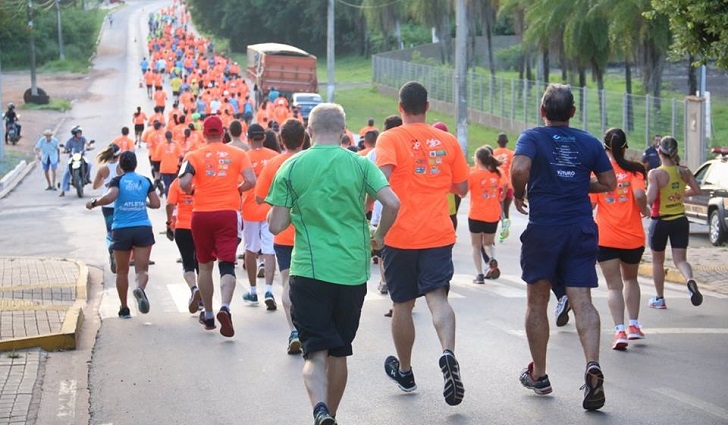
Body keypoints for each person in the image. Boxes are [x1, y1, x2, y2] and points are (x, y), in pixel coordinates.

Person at [266, 103, 400, 425]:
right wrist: (379, 237)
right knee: (339, 351)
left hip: (309, 271)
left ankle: (319, 409)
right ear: (343, 131)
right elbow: (392, 203)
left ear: (309, 131)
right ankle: (333, 415)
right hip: (351, 272)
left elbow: (275, 225)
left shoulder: (292, 166)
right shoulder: (359, 164)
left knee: (315, 353)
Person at [511, 83, 616, 411]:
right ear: (572, 112)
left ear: (543, 111)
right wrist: (578, 182)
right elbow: (610, 183)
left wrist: (519, 192)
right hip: (580, 229)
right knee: (582, 300)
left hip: (545, 230)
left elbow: (518, 169)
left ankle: (540, 375)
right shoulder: (588, 141)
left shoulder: (532, 137)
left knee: (537, 301)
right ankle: (592, 364)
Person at [375, 81, 469, 406]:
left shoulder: (389, 138)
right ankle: (447, 353)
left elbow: (379, 178)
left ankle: (405, 370)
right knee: (438, 298)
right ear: (428, 106)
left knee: (402, 304)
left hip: (399, 236)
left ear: (400, 107)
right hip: (438, 233)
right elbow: (461, 188)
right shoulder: (448, 140)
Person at [178, 115, 256, 337]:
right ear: (223, 133)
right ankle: (226, 307)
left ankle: (209, 314)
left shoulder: (193, 156)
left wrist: (194, 191)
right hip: (227, 213)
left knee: (204, 266)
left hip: (201, 214)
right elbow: (251, 181)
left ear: (204, 134)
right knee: (227, 264)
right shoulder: (239, 154)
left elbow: (183, 183)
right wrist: (237, 189)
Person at [590, 128, 650, 350]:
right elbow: (640, 195)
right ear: (625, 147)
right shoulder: (636, 171)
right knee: (631, 280)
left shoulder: (597, 175)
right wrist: (644, 210)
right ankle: (634, 325)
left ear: (605, 148)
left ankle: (620, 331)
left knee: (613, 286)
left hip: (606, 237)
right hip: (632, 237)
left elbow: (591, 205)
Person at [85, 151, 161, 318]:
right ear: (135, 165)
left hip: (121, 229)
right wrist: (143, 202)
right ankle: (140, 288)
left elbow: (110, 196)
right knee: (142, 270)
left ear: (120, 166)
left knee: (122, 271)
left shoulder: (118, 180)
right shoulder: (145, 180)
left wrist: (94, 203)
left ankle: (124, 308)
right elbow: (156, 203)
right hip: (142, 228)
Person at [254, 118, 306, 354]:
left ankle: (294, 330)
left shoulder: (274, 164)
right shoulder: (310, 160)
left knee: (287, 283)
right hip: (310, 232)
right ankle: (311, 329)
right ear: (304, 139)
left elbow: (258, 197)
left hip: (283, 233)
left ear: (282, 140)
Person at [646, 136, 702, 309]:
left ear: (659, 151)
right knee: (680, 260)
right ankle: (690, 281)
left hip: (660, 221)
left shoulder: (655, 174)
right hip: (680, 220)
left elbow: (650, 198)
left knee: (657, 261)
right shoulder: (684, 171)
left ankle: (659, 299)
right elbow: (697, 190)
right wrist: (679, 194)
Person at [240, 124, 280, 310]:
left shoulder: (244, 157)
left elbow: (241, 183)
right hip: (270, 208)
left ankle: (253, 290)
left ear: (248, 138)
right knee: (269, 249)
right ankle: (269, 290)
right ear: (264, 138)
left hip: (249, 208)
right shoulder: (274, 157)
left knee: (250, 248)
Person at [468, 146, 506, 284]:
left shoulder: (473, 174)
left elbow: (462, 192)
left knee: (475, 246)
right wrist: (500, 196)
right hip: (492, 214)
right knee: (488, 244)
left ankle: (479, 275)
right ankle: (490, 260)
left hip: (476, 213)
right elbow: (506, 185)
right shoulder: (497, 174)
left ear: (477, 160)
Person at [165, 178, 201, 314]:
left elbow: (169, 204)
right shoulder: (202, 180)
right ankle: (202, 297)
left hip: (183, 227)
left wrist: (169, 222)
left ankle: (194, 289)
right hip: (201, 226)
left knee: (187, 262)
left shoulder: (177, 183)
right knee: (201, 263)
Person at [91, 143, 122, 273]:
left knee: (110, 231)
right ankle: (121, 255)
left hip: (106, 204)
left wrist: (106, 181)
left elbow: (95, 186)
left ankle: (112, 250)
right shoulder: (122, 167)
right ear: (118, 155)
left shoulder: (103, 169)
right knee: (121, 230)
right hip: (120, 203)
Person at [492, 133, 514, 241]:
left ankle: (498, 231)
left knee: (498, 209)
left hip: (498, 184)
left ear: (498, 141)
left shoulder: (493, 153)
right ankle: (503, 231)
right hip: (509, 185)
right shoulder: (512, 154)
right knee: (506, 209)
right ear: (507, 142)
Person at [59, 126, 91, 197]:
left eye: (80, 132)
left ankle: (88, 178)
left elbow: (87, 143)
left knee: (89, 165)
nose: (80, 134)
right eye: (78, 133)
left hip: (81, 156)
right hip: (73, 158)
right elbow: (66, 148)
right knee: (66, 172)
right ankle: (63, 190)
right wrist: (65, 150)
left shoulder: (82, 139)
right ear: (74, 133)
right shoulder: (70, 141)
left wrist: (88, 146)